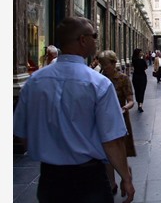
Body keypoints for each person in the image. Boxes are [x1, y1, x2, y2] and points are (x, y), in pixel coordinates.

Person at [13, 16, 135, 203]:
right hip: (89, 180)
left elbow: (22, 132)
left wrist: (51, 149)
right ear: (83, 40)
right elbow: (112, 140)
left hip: (49, 180)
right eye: (94, 35)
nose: (96, 39)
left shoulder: (34, 82)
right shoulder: (98, 84)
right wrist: (125, 177)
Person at [98, 50, 136, 196]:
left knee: (120, 151)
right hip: (103, 120)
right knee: (107, 154)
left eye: (106, 65)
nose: (103, 67)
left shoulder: (123, 79)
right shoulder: (99, 78)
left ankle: (125, 174)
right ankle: (112, 184)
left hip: (120, 119)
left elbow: (131, 100)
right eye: (101, 64)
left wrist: (125, 107)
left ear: (114, 63)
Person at [131, 48, 148, 112]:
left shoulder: (133, 60)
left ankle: (138, 102)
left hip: (135, 76)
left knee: (137, 90)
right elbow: (146, 67)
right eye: (141, 52)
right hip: (142, 76)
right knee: (142, 91)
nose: (142, 53)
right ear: (138, 53)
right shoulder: (142, 60)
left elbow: (133, 66)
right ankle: (140, 104)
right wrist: (143, 58)